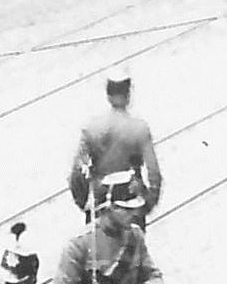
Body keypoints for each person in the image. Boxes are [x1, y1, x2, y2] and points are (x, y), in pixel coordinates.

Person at [70, 72, 164, 221]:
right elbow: (154, 172)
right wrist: (148, 202)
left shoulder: (91, 128)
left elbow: (76, 172)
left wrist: (83, 203)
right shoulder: (139, 128)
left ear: (108, 96)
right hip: (131, 200)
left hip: (100, 201)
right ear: (128, 95)